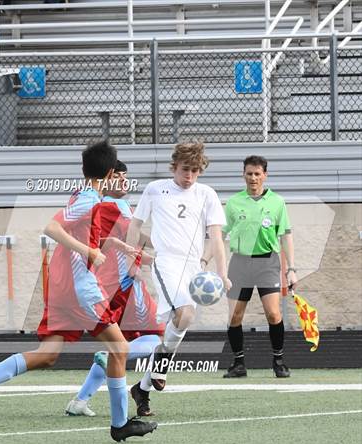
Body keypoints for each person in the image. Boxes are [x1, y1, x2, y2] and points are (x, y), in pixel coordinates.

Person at [0, 141, 157, 442]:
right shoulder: (89, 198)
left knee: (48, 355)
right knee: (120, 348)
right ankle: (119, 424)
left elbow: (85, 236)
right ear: (111, 172)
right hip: (79, 290)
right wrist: (89, 251)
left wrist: (116, 247)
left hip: (64, 289)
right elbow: (52, 228)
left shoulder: (90, 198)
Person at [125, 142, 231, 416]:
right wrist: (130, 260)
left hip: (193, 266)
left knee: (183, 318)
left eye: (195, 171)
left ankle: (143, 388)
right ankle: (162, 365)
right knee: (184, 314)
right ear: (174, 167)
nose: (190, 176)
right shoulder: (155, 190)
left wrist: (222, 273)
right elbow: (135, 225)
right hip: (166, 262)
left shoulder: (206, 194)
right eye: (185, 170)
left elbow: (216, 236)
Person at [65, 160, 165, 417]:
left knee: (121, 346)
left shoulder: (108, 203)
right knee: (159, 337)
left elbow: (129, 242)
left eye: (125, 175)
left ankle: (80, 400)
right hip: (121, 287)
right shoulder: (111, 205)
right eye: (117, 175)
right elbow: (137, 240)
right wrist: (171, 254)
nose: (123, 180)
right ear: (104, 177)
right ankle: (140, 393)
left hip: (114, 285)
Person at [216, 155, 297, 378]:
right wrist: (206, 260)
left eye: (257, 174)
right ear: (243, 175)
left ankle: (279, 361)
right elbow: (219, 234)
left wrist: (291, 269)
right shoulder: (233, 203)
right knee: (234, 317)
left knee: (273, 313)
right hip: (240, 263)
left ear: (265, 176)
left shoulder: (277, 202)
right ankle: (238, 364)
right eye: (249, 173)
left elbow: (286, 236)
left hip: (267, 263)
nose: (253, 178)